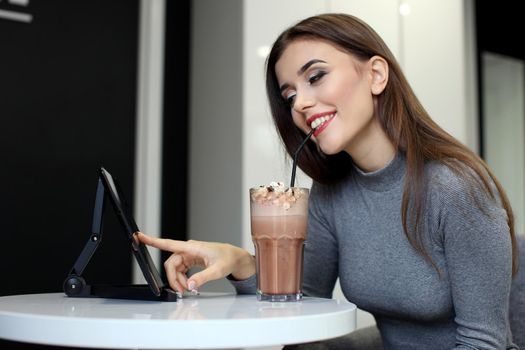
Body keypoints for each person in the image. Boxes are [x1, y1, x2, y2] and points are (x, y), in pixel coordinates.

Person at [138, 13, 519, 350]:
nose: (300, 105)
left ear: (376, 75)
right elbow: (299, 301)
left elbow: (484, 343)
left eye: (316, 77)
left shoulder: (453, 187)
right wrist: (239, 261)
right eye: (289, 96)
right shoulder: (331, 192)